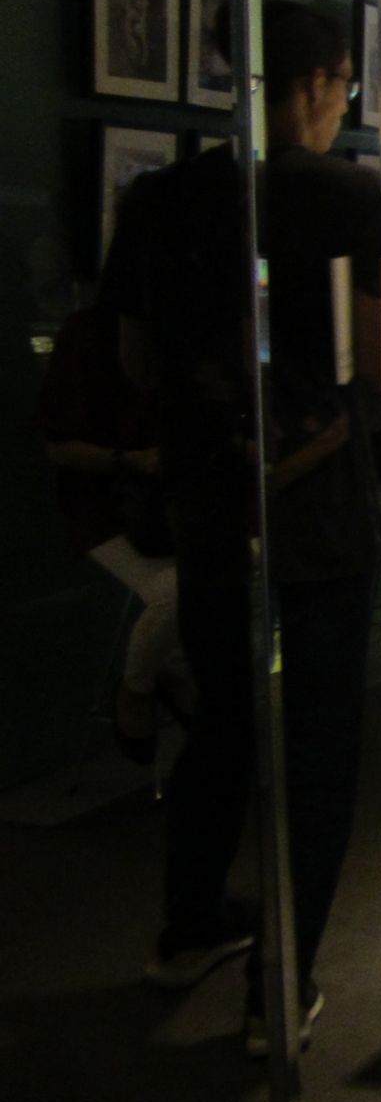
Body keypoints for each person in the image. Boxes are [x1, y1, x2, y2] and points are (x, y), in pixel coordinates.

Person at [106, 1, 381, 1057]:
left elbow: (135, 360)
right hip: (316, 509)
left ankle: (186, 928)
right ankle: (282, 985)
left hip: (210, 503)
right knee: (317, 747)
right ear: (318, 82)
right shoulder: (342, 193)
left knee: (221, 715)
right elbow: (369, 360)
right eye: (344, 86)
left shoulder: (158, 198)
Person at [36, 298, 188, 762]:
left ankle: (157, 675)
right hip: (109, 506)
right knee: (177, 592)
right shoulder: (89, 335)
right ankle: (140, 685)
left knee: (193, 588)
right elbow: (59, 446)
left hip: (166, 504)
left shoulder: (166, 328)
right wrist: (129, 459)